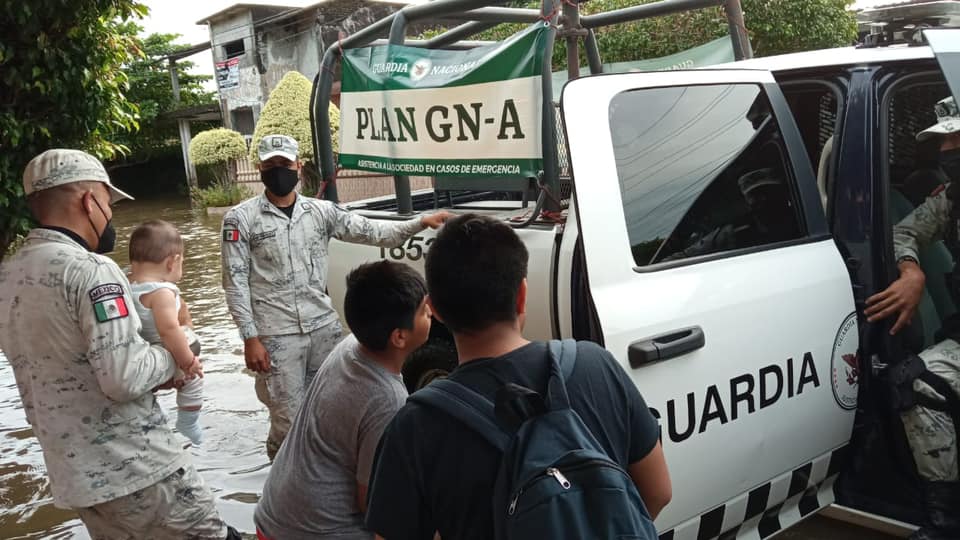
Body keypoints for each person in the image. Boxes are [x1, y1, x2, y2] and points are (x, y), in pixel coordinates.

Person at [364, 214, 672, 540]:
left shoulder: (415, 427)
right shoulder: (596, 365)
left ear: (434, 310)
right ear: (522, 294)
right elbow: (658, 491)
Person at [0, 149, 239, 539]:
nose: (110, 215)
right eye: (108, 204)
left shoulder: (8, 273)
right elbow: (124, 378)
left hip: (75, 476)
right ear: (89, 201)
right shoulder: (92, 270)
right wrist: (183, 348)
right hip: (137, 467)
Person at [221, 134, 449, 460]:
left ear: (299, 166)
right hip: (275, 335)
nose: (278, 170)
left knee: (331, 408)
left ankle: (326, 473)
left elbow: (372, 232)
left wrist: (420, 223)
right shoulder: (240, 219)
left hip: (322, 328)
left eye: (285, 163)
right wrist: (250, 338)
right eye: (271, 165)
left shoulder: (320, 212)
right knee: (287, 422)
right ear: (259, 168)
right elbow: (235, 282)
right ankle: (282, 479)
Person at [255, 260, 430, 540]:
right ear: (399, 337)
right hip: (310, 531)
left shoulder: (349, 347)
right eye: (423, 311)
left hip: (273, 515)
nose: (431, 312)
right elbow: (371, 503)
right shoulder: (387, 398)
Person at [865, 96, 960, 540]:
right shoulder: (951, 199)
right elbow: (904, 231)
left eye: (957, 140)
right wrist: (911, 270)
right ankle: (944, 520)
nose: (948, 151)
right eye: (945, 143)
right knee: (914, 380)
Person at [128, 220, 205, 445]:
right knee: (195, 378)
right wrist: (188, 361)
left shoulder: (127, 285)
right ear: (172, 262)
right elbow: (169, 330)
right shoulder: (162, 292)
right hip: (167, 350)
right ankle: (188, 421)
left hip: (143, 352)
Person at [660, 167, 798, 262]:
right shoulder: (734, 232)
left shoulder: (802, 216)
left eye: (769, 192)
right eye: (755, 195)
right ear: (747, 201)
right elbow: (684, 257)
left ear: (782, 193)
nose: (763, 199)